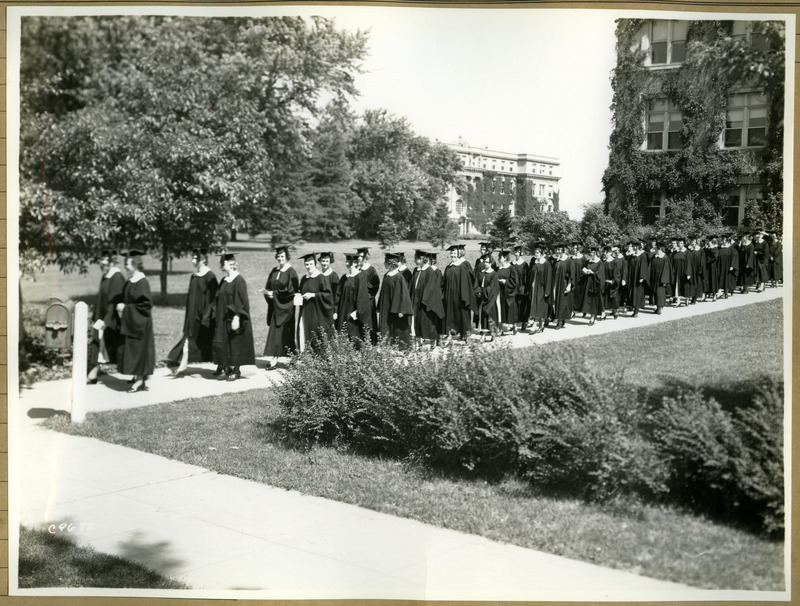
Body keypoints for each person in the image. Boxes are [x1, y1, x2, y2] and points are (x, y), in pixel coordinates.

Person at [166, 248, 218, 376]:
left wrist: (207, 315)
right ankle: (182, 367)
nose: (193, 260)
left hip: (204, 317)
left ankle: (222, 364)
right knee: (188, 340)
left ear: (203, 259)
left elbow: (214, 299)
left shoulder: (210, 276)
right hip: (192, 316)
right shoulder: (194, 276)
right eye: (193, 257)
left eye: (196, 258)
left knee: (211, 341)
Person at [116, 250, 156, 393]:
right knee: (132, 349)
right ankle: (136, 376)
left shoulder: (142, 282)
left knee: (138, 350)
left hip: (141, 323)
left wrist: (125, 308)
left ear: (135, 264)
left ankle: (139, 381)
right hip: (132, 321)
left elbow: (146, 305)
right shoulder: (131, 281)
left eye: (127, 263)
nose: (125, 267)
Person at [212, 252, 255, 380]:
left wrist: (237, 317)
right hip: (222, 317)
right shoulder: (224, 280)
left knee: (235, 343)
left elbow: (242, 302)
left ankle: (236, 370)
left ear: (231, 264)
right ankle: (226, 366)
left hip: (234, 318)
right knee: (223, 341)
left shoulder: (239, 280)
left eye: (223, 262)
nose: (221, 265)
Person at [87, 249, 126, 384]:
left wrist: (106, 321)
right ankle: (92, 375)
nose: (102, 266)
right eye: (101, 263)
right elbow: (100, 299)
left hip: (114, 320)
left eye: (105, 263)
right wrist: (96, 318)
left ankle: (137, 374)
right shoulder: (105, 276)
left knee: (122, 348)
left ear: (111, 262)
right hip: (103, 318)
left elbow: (113, 302)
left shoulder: (117, 277)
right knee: (97, 344)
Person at [263, 245, 299, 369]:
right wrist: (268, 293)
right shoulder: (274, 271)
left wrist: (275, 294)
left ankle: (284, 358)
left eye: (282, 256)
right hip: (275, 307)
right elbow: (268, 286)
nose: (280, 258)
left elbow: (291, 291)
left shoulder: (291, 272)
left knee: (285, 333)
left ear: (287, 257)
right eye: (278, 256)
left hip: (286, 308)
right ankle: (282, 358)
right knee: (276, 333)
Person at [298, 253, 335, 353]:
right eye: (306, 264)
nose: (308, 266)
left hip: (317, 312)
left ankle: (318, 359)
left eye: (310, 264)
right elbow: (300, 292)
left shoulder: (321, 278)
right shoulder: (304, 279)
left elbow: (328, 295)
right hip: (305, 311)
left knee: (315, 334)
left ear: (315, 264)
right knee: (305, 332)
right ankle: (307, 357)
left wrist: (313, 295)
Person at [410, 250, 445, 348]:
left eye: (415, 258)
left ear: (422, 259)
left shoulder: (430, 272)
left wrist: (424, 299)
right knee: (416, 320)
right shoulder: (416, 271)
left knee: (426, 321)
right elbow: (412, 285)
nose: (414, 260)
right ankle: (418, 339)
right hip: (415, 300)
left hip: (425, 301)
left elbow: (431, 288)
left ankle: (431, 341)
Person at [378, 252, 413, 348]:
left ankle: (402, 347)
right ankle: (387, 345)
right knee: (386, 326)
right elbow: (383, 292)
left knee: (397, 328)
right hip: (386, 307)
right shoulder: (387, 275)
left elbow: (403, 294)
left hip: (395, 309)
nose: (383, 263)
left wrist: (402, 309)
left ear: (390, 263)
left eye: (385, 262)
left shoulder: (398, 277)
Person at [442, 243, 476, 344]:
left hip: (460, 297)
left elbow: (466, 284)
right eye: (451, 253)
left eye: (454, 253)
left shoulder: (463, 267)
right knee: (450, 316)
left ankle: (465, 335)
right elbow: (444, 282)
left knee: (462, 315)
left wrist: (464, 297)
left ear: (459, 254)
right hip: (449, 297)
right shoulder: (448, 267)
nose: (452, 254)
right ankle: (449, 335)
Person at [336, 253, 372, 346]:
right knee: (342, 333)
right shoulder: (344, 277)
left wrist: (358, 312)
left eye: (349, 262)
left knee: (353, 334)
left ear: (355, 263)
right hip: (343, 311)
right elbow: (338, 295)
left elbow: (363, 297)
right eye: (346, 261)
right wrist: (335, 310)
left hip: (353, 313)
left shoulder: (359, 277)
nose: (347, 264)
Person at [356, 247, 380, 345]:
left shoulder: (371, 270)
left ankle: (370, 342)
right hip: (357, 301)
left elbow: (374, 286)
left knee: (368, 323)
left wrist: (363, 294)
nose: (359, 258)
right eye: (358, 256)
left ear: (365, 257)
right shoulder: (356, 269)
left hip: (368, 302)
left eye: (361, 256)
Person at [474, 253, 500, 342]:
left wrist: (483, 292)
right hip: (481, 299)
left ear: (491, 263)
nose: (486, 264)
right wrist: (478, 292)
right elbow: (476, 284)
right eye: (485, 262)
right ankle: (483, 335)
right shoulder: (480, 273)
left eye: (488, 262)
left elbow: (492, 287)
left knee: (490, 316)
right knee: (482, 317)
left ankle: (493, 333)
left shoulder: (494, 274)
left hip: (490, 299)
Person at [528, 243, 553, 334]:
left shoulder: (546, 264)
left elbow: (549, 278)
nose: (536, 254)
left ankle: (534, 325)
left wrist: (547, 291)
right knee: (535, 306)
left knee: (539, 306)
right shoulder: (535, 263)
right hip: (534, 288)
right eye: (535, 252)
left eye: (538, 252)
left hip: (542, 288)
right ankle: (541, 325)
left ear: (541, 253)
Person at [580, 245, 605, 325]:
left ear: (597, 253)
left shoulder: (600, 263)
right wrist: (585, 271)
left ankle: (592, 318)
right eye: (591, 253)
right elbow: (583, 268)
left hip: (595, 285)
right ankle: (590, 315)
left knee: (594, 302)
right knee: (588, 301)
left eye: (594, 253)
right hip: (588, 283)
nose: (592, 254)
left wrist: (593, 273)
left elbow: (600, 274)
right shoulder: (588, 261)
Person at [496, 250, 518, 335]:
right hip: (500, 292)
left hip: (508, 292)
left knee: (510, 309)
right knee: (500, 309)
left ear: (505, 258)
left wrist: (505, 282)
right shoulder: (498, 268)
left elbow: (514, 281)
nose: (498, 258)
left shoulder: (511, 268)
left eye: (500, 257)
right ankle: (500, 329)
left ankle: (514, 326)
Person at [551, 242, 573, 329]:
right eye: (557, 249)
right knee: (556, 301)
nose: (558, 251)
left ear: (563, 250)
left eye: (560, 250)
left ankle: (559, 321)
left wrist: (569, 285)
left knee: (562, 302)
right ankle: (560, 319)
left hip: (563, 284)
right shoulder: (556, 260)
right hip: (555, 284)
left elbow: (571, 274)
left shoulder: (568, 260)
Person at [649, 242, 674, 314]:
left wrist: (665, 281)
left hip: (661, 279)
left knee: (660, 293)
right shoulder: (654, 257)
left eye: (658, 249)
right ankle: (658, 307)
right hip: (654, 278)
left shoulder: (665, 258)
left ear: (661, 249)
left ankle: (660, 308)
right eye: (656, 249)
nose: (657, 250)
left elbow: (666, 270)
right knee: (655, 292)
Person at [626, 240, 650, 317]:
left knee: (637, 294)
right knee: (632, 292)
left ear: (639, 247)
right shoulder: (632, 256)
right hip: (632, 277)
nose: (635, 247)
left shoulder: (642, 256)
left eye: (636, 246)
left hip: (638, 278)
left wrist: (642, 277)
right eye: (634, 246)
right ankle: (632, 307)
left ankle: (636, 311)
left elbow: (644, 267)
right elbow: (629, 266)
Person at [511, 244, 530, 332]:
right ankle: (514, 323)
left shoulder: (524, 264)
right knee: (515, 307)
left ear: (521, 253)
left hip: (522, 288)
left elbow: (526, 277)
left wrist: (526, 288)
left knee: (523, 306)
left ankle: (524, 322)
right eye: (515, 252)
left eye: (518, 252)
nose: (517, 253)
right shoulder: (512, 263)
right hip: (514, 288)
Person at [670, 238, 693, 307]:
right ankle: (678, 301)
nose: (680, 245)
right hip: (677, 271)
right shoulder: (675, 252)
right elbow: (672, 262)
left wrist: (688, 273)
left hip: (684, 271)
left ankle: (686, 300)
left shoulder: (687, 252)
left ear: (684, 244)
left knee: (686, 286)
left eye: (681, 243)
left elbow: (689, 263)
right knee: (677, 286)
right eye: (679, 243)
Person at [319, 252, 340, 323]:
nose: (325, 263)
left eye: (327, 261)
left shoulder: (334, 276)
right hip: (319, 306)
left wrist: (335, 311)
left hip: (329, 307)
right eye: (323, 261)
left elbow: (336, 295)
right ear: (319, 261)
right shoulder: (317, 275)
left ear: (330, 262)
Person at [602, 246, 622, 319]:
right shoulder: (603, 262)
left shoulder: (615, 262)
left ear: (610, 252)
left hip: (613, 283)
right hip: (605, 282)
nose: (605, 254)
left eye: (607, 252)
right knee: (604, 298)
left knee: (614, 298)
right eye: (604, 252)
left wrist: (613, 281)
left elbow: (617, 273)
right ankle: (603, 313)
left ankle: (615, 311)